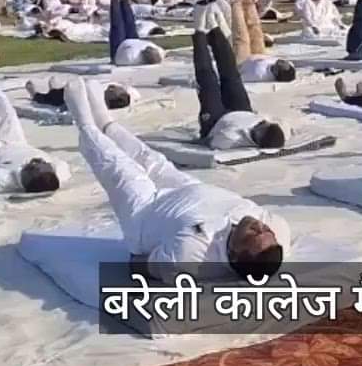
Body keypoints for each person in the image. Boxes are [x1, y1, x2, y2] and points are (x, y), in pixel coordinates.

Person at [62, 79, 289, 282]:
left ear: (237, 254)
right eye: (265, 230)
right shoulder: (279, 230)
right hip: (188, 190)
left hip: (145, 215)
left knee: (121, 168)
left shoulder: (192, 257)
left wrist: (146, 256)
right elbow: (269, 237)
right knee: (150, 158)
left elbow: (139, 266)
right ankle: (106, 123)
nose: (259, 225)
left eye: (254, 234)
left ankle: (85, 124)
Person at [0, 49, 70, 194]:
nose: (36, 162)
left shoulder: (0, 180)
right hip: (16, 144)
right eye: (43, 163)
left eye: (34, 167)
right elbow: (58, 171)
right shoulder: (60, 171)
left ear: (26, 179)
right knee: (5, 109)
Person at [191, 5, 287, 149]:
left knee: (208, 81)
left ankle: (199, 28)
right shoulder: (270, 127)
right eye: (262, 125)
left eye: (258, 131)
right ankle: (213, 26)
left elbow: (208, 143)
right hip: (243, 111)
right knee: (231, 74)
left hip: (215, 122)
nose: (259, 126)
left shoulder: (231, 139)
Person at [109, 0, 166, 66]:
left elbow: (116, 61)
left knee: (127, 22)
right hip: (127, 45)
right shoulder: (132, 57)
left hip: (124, 46)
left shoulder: (155, 50)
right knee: (119, 24)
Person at [26, 78, 138, 110]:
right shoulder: (103, 95)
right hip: (70, 92)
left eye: (115, 89)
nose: (113, 87)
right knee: (56, 84)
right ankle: (54, 89)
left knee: (50, 96)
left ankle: (34, 94)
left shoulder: (98, 102)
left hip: (64, 98)